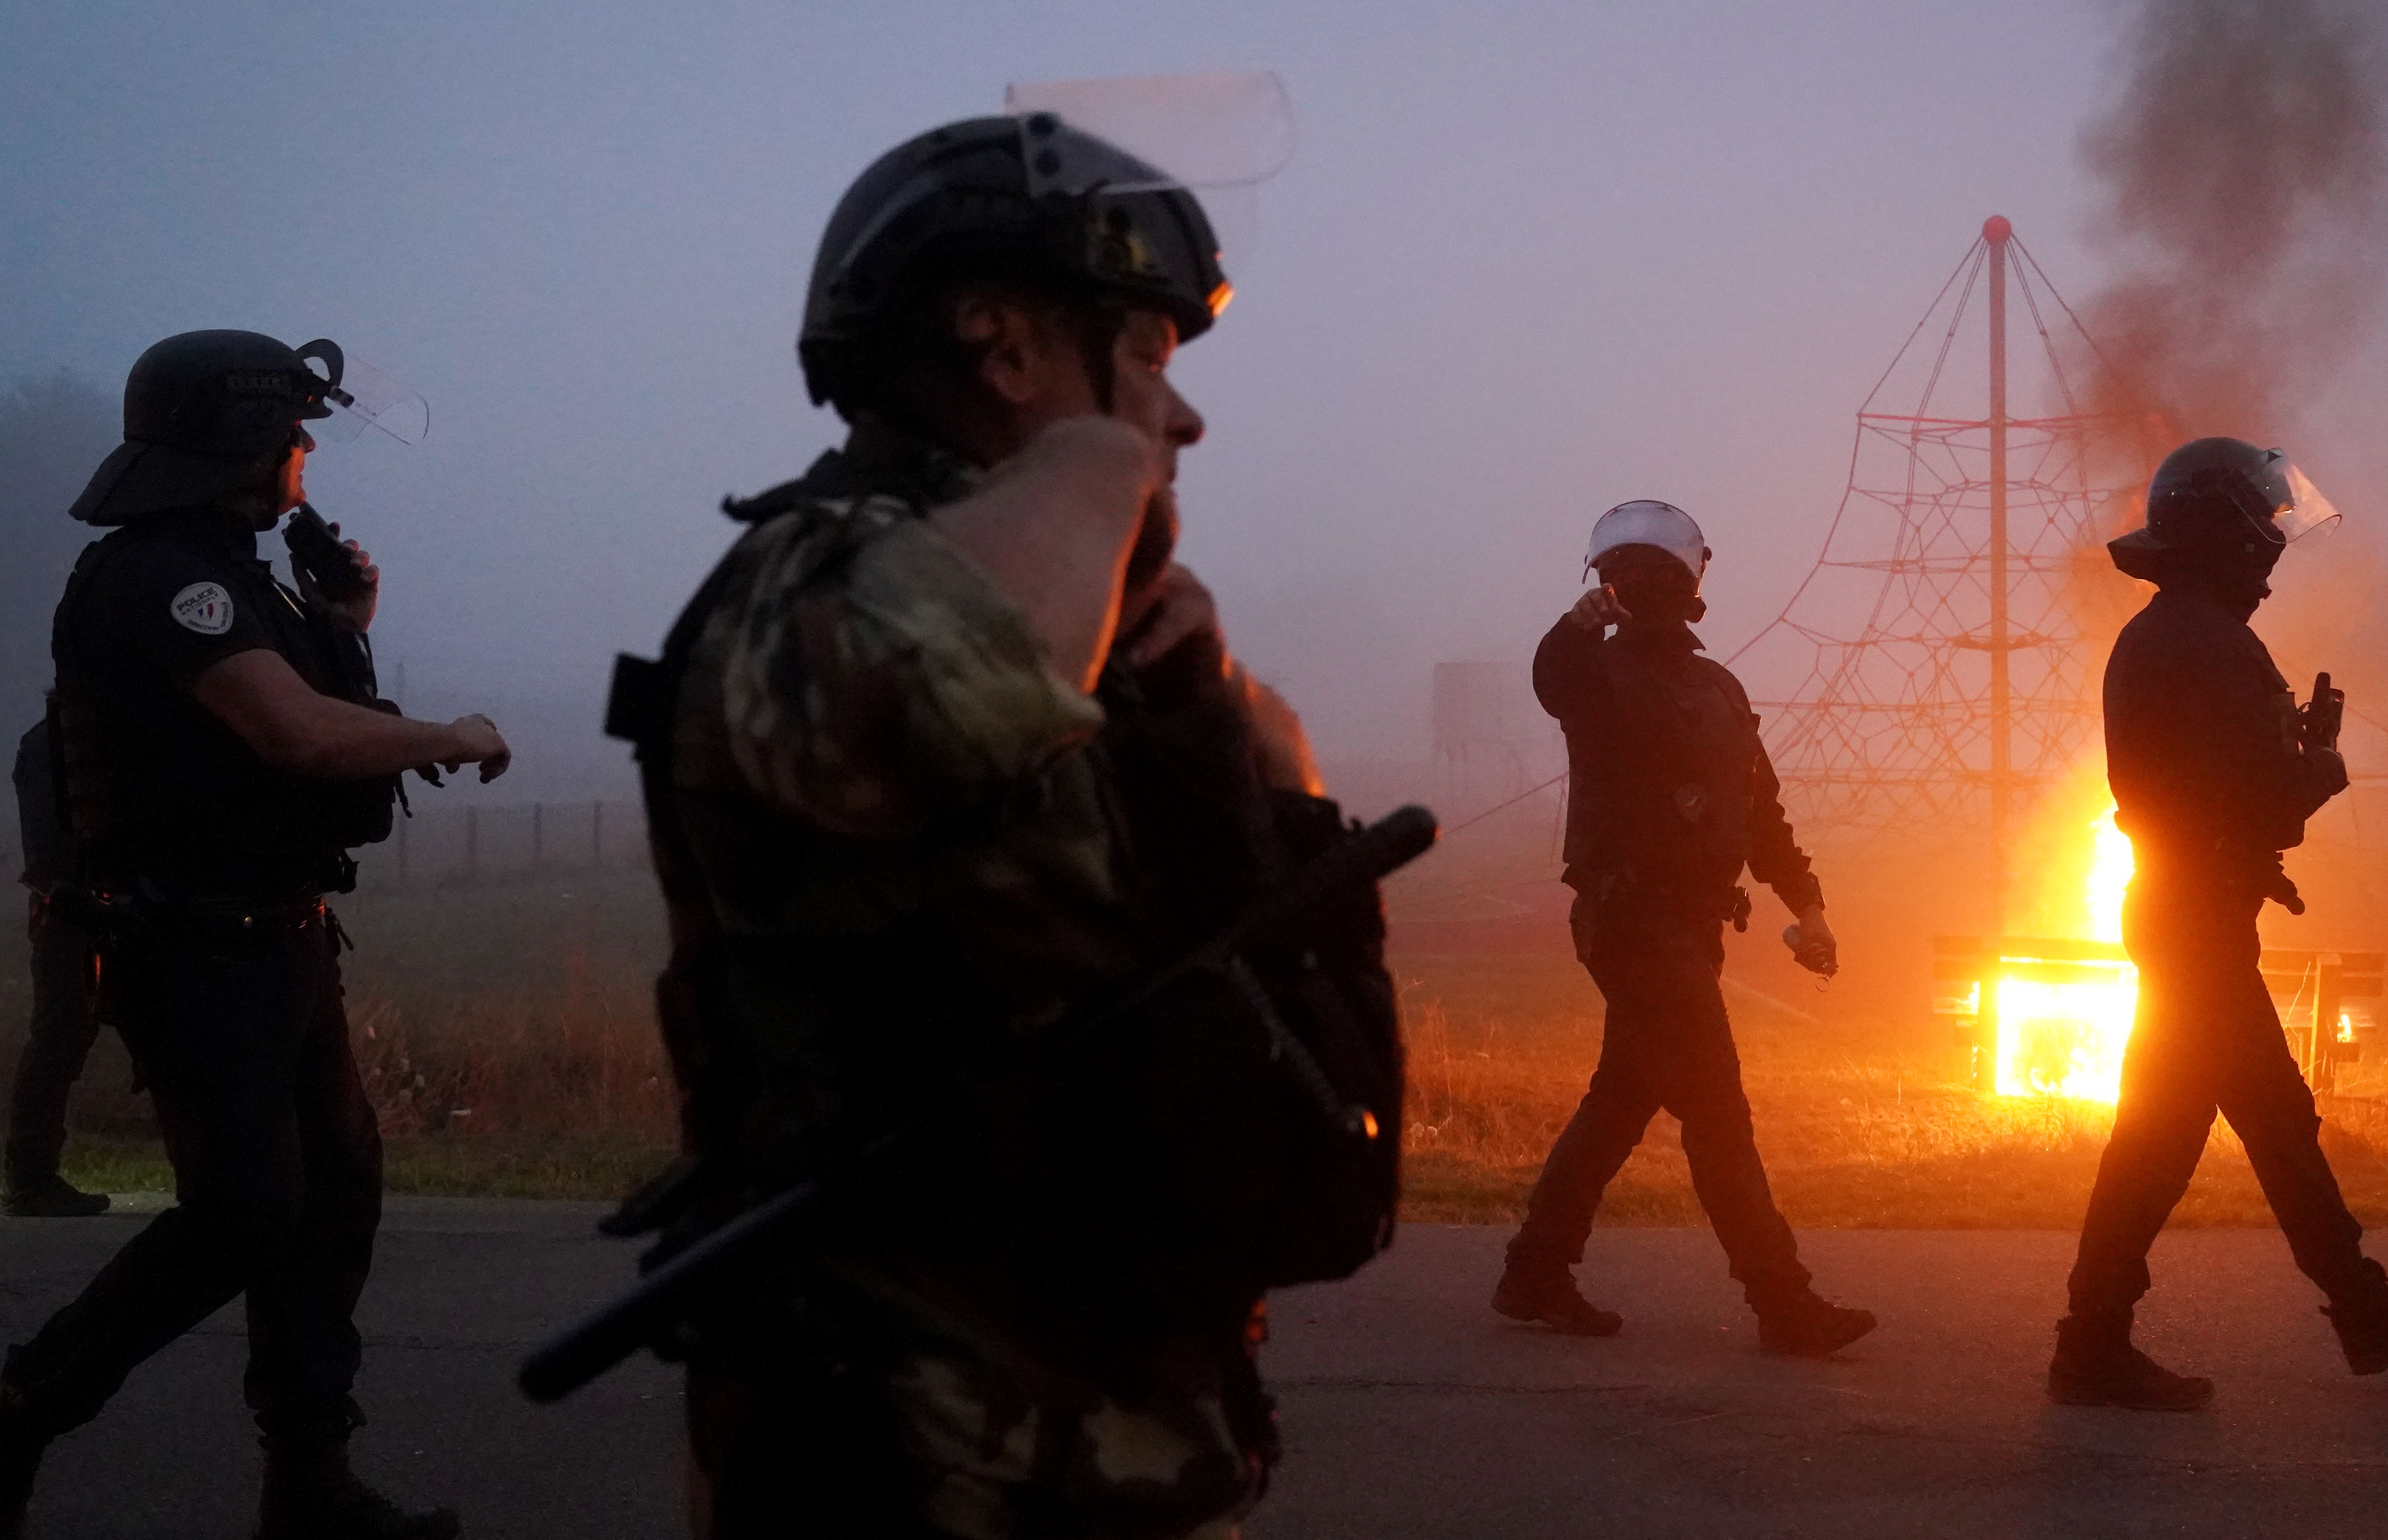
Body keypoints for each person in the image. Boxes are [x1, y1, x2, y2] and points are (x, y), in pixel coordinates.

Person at [615, 109, 1397, 1537]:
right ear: (1004, 341)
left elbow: (1287, 1059)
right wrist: (1099, 465)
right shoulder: (808, 585)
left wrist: (1237, 745)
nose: (1182, 414)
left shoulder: (1127, 666)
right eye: (1150, 355)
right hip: (903, 1449)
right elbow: (928, 705)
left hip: (1143, 1427)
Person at [0, 331, 512, 1540]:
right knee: (242, 1212)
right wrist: (458, 731)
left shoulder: (249, 579)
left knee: (332, 1197)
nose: (305, 451)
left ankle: (311, 1486)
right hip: (190, 951)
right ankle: (23, 1402)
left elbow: (311, 712)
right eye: (290, 432)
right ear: (235, 444)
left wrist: (345, 615)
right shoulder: (159, 579)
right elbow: (299, 738)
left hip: (278, 937)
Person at [2049, 437, 2388, 1410]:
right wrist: (2317, 766)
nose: (2273, 550)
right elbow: (2250, 801)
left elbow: (2207, 793)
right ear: (2222, 535)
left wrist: (2274, 789)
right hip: (2190, 922)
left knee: (2174, 1138)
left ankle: (2095, 1344)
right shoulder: (2199, 641)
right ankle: (2356, 1309)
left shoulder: (2176, 634)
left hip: (2187, 911)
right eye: (2263, 530)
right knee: (2247, 1128)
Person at [1493, 501, 1874, 1355]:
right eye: (1628, 578)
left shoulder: (1718, 689)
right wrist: (1572, 628)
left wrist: (1806, 904)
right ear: (1607, 587)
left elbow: (1762, 814)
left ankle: (1534, 1273)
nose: (1646, 590)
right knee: (1717, 1105)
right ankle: (1784, 1301)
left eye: (1658, 575)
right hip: (1631, 920)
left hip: (1691, 926)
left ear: (1689, 584)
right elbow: (1555, 677)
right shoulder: (1597, 676)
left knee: (1621, 1101)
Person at [6, 723, 109, 1219]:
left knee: (60, 1036)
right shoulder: (51, 740)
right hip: (75, 911)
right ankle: (31, 1177)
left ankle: (32, 1175)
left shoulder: (57, 736)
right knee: (60, 1035)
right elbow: (47, 845)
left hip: (105, 905)